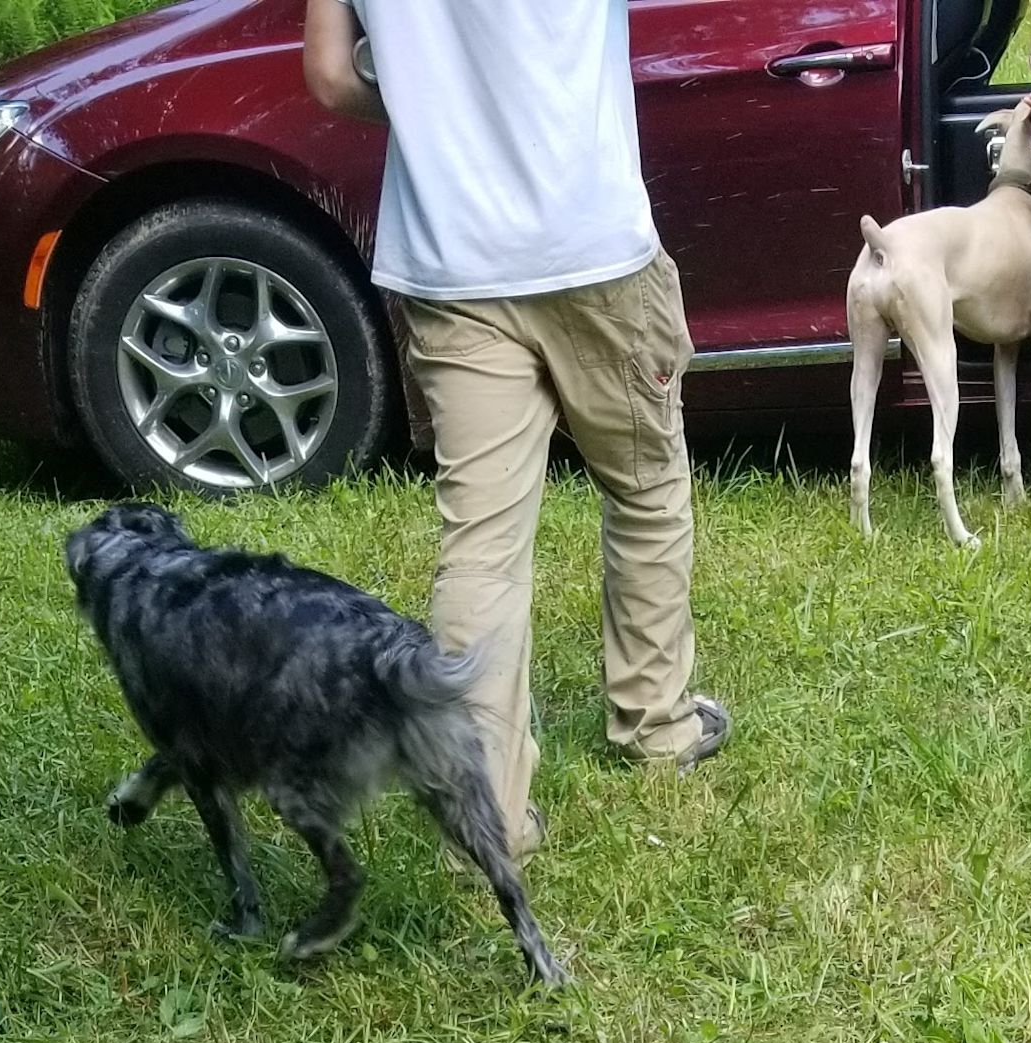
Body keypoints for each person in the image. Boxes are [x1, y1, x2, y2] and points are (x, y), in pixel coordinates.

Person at [303, 0, 729, 850]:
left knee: (483, 546)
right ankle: (656, 727)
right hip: (594, 248)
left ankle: (488, 809)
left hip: (449, 259)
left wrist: (436, 104)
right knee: (645, 492)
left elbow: (329, 74)